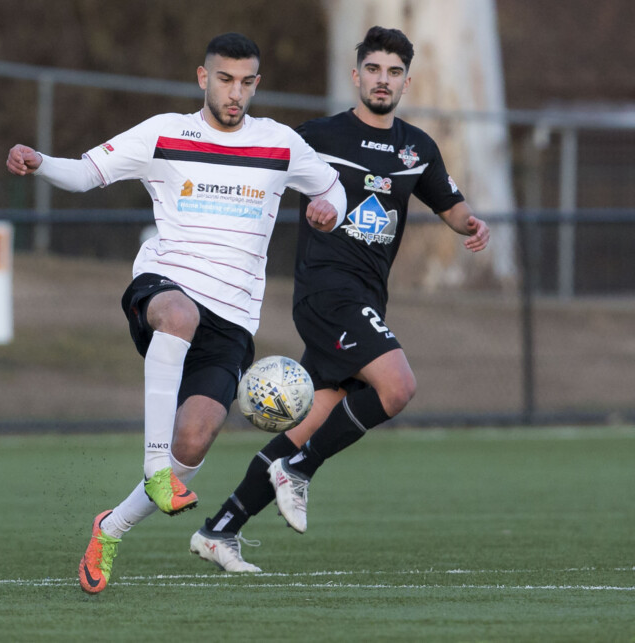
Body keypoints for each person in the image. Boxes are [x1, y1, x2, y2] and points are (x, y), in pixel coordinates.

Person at [6, 32, 346, 593]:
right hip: (166, 287)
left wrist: (328, 211)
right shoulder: (164, 132)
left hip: (233, 321)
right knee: (179, 317)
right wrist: (40, 162)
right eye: (224, 79)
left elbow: (332, 189)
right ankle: (155, 467)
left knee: (195, 442)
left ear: (256, 84)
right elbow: (87, 173)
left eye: (246, 82)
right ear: (202, 78)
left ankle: (110, 527)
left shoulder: (281, 143)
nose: (235, 93)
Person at [189, 26, 490, 573]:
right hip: (327, 293)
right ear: (357, 76)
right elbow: (259, 174)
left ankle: (220, 529)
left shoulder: (416, 148)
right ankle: (299, 473)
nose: (383, 80)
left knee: (309, 422)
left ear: (404, 81)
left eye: (394, 72)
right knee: (397, 387)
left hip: (367, 299)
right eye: (373, 69)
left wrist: (472, 225)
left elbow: (450, 206)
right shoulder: (317, 136)